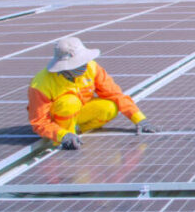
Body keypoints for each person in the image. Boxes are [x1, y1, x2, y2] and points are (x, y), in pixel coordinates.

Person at [27, 37, 157, 150]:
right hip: (56, 123)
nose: (84, 65)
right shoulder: (41, 84)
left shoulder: (92, 68)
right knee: (69, 102)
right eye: (79, 64)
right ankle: (67, 138)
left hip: (79, 113)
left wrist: (140, 119)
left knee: (110, 107)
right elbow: (40, 122)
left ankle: (77, 130)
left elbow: (115, 94)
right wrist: (62, 134)